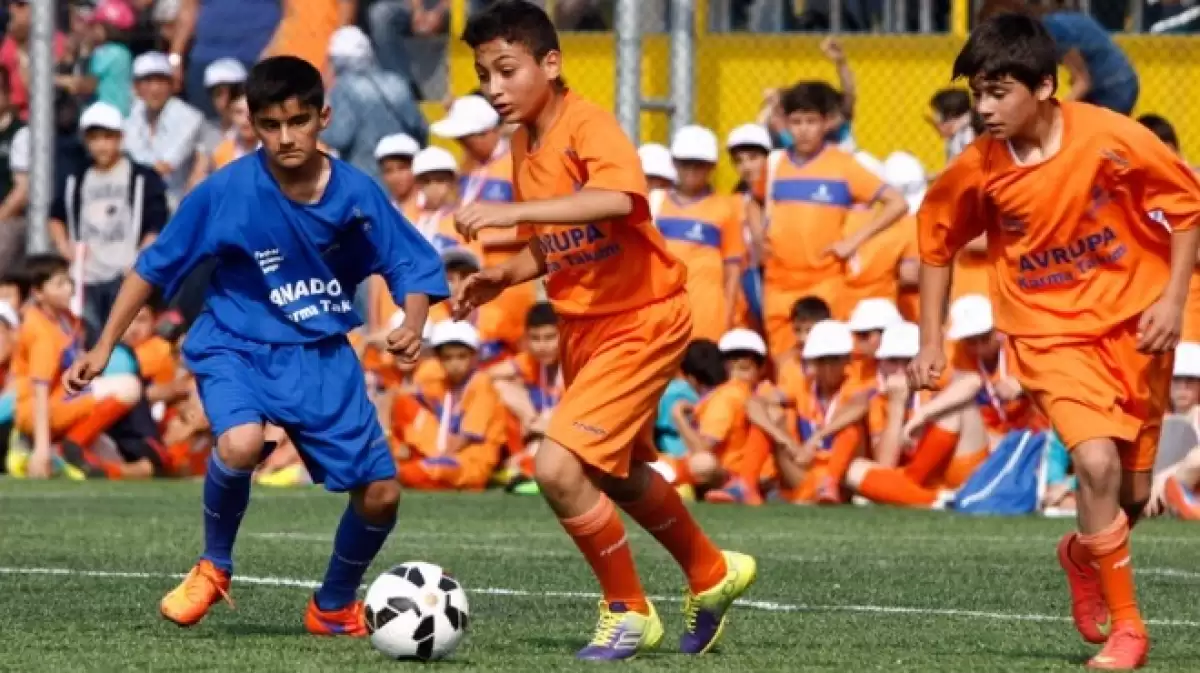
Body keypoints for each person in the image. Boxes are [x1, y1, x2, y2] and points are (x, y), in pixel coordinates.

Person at [62, 56, 449, 636]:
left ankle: (332, 606)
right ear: (252, 123)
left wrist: (413, 322)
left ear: (324, 117)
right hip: (235, 342)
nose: (285, 137)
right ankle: (213, 566)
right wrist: (102, 345)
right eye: (270, 124)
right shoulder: (226, 189)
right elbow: (153, 267)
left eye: (298, 121)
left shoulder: (356, 193)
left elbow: (409, 263)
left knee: (382, 495)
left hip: (320, 355)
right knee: (241, 443)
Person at [453, 1, 756, 660]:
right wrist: (502, 275)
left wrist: (508, 212)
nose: (494, 88)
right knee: (615, 472)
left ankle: (627, 610)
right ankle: (710, 571)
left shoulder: (588, 123)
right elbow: (553, 241)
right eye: (483, 75)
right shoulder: (522, 141)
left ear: (550, 63)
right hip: (584, 325)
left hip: (642, 316)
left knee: (556, 466)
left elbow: (620, 199)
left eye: (506, 70)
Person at [909, 13, 1200, 670]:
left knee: (1132, 496)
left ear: (1045, 86)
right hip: (1048, 336)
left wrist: (1173, 301)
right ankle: (1130, 630)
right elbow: (935, 242)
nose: (984, 108)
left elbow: (1187, 206)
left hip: (1135, 331)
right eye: (977, 94)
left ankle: (1081, 553)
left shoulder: (1110, 137)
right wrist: (930, 341)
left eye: (998, 92)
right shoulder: (977, 168)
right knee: (1094, 465)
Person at [48, 102, 170, 334]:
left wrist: (140, 259)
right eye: (94, 138)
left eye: (108, 137)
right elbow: (56, 216)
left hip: (125, 272)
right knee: (88, 334)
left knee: (123, 334)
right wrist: (66, 248)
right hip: (86, 276)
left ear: (120, 138)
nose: (101, 145)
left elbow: (157, 222)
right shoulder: (76, 178)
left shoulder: (141, 177)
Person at [652, 125, 744, 342]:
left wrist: (727, 318)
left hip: (706, 316)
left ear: (712, 166)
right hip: (661, 314)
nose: (692, 170)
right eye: (685, 163)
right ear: (674, 163)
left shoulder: (726, 208)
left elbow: (732, 270)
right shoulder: (655, 203)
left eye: (699, 164)